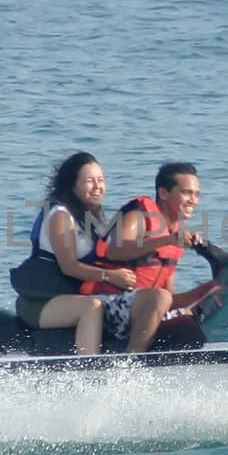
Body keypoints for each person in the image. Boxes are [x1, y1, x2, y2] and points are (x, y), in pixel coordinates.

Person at [91, 161, 223, 352]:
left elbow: (169, 299)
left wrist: (208, 289)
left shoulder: (173, 236)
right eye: (186, 193)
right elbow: (116, 250)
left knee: (190, 316)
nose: (193, 200)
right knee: (160, 298)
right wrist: (167, 240)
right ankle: (131, 364)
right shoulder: (140, 215)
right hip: (107, 306)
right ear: (163, 193)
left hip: (142, 308)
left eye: (196, 194)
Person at [16, 152, 137, 355]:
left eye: (101, 180)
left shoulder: (88, 219)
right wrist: (111, 276)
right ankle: (88, 371)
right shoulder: (60, 216)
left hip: (67, 296)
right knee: (92, 307)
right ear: (72, 185)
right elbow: (68, 266)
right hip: (41, 302)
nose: (98, 186)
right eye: (90, 181)